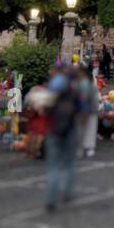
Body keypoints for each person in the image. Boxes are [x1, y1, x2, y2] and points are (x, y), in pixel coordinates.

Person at [44, 67, 81, 210]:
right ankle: (67, 193)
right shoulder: (74, 94)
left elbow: (46, 111)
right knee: (68, 164)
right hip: (70, 132)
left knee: (53, 166)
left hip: (53, 132)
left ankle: (51, 199)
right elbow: (80, 111)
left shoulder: (52, 97)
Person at [78, 65, 100, 158]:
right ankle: (85, 148)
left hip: (89, 110)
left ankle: (88, 148)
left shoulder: (88, 85)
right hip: (85, 110)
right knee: (85, 129)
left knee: (88, 128)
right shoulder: (83, 85)